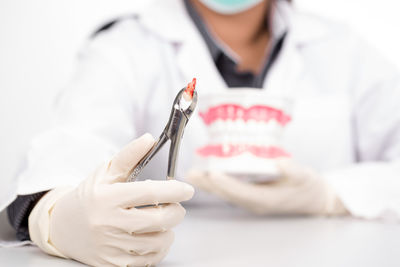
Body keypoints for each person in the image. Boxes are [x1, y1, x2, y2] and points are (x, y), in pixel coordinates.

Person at [2, 0, 400, 266]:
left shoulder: (346, 49)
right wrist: (51, 214)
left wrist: (334, 195)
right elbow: (74, 140)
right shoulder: (125, 46)